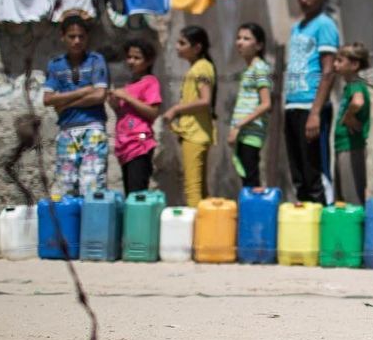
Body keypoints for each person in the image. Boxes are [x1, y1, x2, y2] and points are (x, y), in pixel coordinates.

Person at [284, 0, 340, 204]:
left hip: (312, 107)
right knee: (299, 175)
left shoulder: (325, 24)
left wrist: (315, 112)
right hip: (292, 105)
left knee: (314, 172)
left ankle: (321, 225)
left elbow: (328, 71)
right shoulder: (297, 27)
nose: (304, 0)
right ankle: (303, 229)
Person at [42, 13, 110, 197]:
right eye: (72, 37)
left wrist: (64, 103)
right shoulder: (56, 66)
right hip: (66, 130)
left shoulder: (96, 61)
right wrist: (82, 91)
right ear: (63, 37)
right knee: (66, 185)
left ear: (87, 38)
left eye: (81, 36)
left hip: (93, 127)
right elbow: (47, 99)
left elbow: (99, 95)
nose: (77, 41)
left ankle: (93, 226)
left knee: (93, 184)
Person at [163, 26, 216, 208]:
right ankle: (208, 229)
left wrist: (176, 109)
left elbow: (205, 99)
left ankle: (195, 232)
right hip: (195, 133)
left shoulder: (201, 69)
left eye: (182, 43)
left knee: (192, 189)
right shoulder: (200, 67)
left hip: (195, 134)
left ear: (197, 47)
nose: (177, 46)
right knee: (201, 189)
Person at [107, 38, 161, 197]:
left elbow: (153, 112)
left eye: (137, 58)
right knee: (129, 192)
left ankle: (139, 222)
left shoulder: (150, 82)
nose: (131, 61)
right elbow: (124, 114)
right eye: (129, 57)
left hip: (140, 143)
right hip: (125, 145)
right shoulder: (130, 85)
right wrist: (114, 103)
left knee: (137, 193)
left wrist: (128, 97)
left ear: (149, 60)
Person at [228, 23, 272, 190]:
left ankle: (255, 214)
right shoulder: (249, 70)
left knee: (251, 179)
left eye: (246, 39)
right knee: (247, 178)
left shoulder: (260, 68)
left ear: (259, 45)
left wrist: (238, 126)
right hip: (244, 132)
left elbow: (266, 104)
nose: (240, 42)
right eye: (239, 38)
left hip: (251, 132)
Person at [333, 42, 371, 206]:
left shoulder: (356, 84)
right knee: (342, 197)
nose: (335, 64)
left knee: (351, 197)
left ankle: (354, 231)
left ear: (354, 64)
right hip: (343, 146)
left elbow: (358, 102)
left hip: (351, 146)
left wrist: (348, 116)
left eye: (340, 60)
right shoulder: (350, 85)